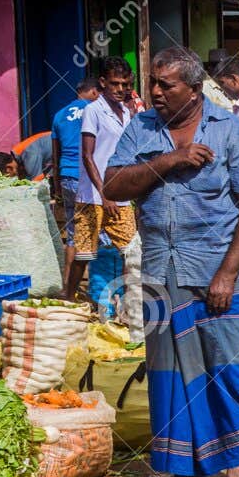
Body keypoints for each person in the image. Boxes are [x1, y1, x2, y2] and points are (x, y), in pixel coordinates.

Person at [104, 47, 239, 477]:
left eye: (166, 85)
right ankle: (182, 469)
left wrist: (227, 273)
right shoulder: (141, 129)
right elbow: (113, 186)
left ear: (195, 90)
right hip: (160, 270)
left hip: (217, 270)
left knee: (230, 369)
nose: (155, 92)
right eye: (153, 83)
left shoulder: (232, 133)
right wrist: (170, 161)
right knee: (170, 373)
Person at [63, 55, 140, 302]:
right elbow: (88, 156)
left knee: (131, 252)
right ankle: (69, 297)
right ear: (103, 82)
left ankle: (131, 302)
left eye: (125, 84)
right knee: (84, 255)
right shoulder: (93, 111)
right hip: (92, 196)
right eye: (116, 84)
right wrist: (104, 193)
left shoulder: (127, 113)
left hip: (121, 197)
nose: (120, 89)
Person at [50, 76, 99, 272]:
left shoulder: (59, 115)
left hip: (66, 177)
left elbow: (55, 156)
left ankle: (67, 288)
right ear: (95, 92)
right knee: (98, 232)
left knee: (72, 235)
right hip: (89, 178)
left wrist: (57, 187)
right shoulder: (95, 111)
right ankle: (100, 290)